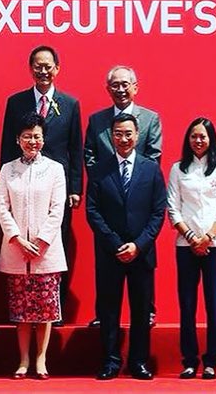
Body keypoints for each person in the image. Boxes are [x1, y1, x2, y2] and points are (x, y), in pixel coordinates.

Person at [1, 46, 81, 321]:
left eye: (48, 66)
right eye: (38, 66)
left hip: (54, 184)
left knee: (54, 242)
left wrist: (75, 187)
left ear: (57, 68)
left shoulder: (70, 104)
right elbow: (6, 147)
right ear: (31, 68)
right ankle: (23, 311)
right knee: (21, 244)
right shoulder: (16, 102)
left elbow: (75, 147)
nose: (43, 71)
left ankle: (53, 309)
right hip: (20, 180)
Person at [86, 113, 167, 380]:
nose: (123, 139)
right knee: (109, 310)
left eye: (128, 134)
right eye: (118, 134)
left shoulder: (151, 168)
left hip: (141, 253)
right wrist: (116, 243)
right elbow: (93, 211)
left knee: (142, 311)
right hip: (110, 253)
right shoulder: (99, 170)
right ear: (111, 136)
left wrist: (139, 244)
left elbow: (158, 212)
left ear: (137, 135)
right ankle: (110, 361)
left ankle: (139, 361)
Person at [84, 65, 162, 328]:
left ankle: (147, 312)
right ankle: (104, 318)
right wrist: (107, 177)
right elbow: (90, 155)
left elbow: (153, 156)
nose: (120, 89)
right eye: (114, 85)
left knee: (142, 281)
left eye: (125, 84)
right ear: (108, 89)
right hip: (108, 201)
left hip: (139, 202)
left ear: (135, 87)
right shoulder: (97, 120)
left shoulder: (150, 118)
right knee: (106, 276)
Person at [0, 113, 66, 380]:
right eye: (27, 136)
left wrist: (40, 241)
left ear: (43, 138)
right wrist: (17, 239)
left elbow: (57, 209)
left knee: (45, 308)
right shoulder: (7, 170)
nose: (32, 141)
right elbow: (3, 207)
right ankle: (23, 360)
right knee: (22, 309)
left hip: (45, 251)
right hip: (16, 249)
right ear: (18, 139)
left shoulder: (55, 169)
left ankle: (41, 359)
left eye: (37, 136)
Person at [166, 117, 216, 379]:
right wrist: (193, 237)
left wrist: (207, 237)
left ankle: (211, 360)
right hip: (186, 245)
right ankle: (190, 359)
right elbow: (173, 207)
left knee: (214, 303)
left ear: (211, 139)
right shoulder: (178, 169)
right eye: (194, 136)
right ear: (188, 139)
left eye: (203, 136)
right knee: (187, 303)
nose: (198, 141)